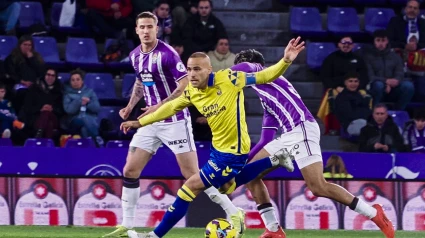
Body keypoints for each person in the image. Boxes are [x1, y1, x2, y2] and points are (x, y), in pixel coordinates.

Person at [122, 37, 306, 238]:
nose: (192, 74)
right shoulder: (192, 92)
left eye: (197, 69)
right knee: (227, 186)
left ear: (209, 69)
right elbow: (169, 108)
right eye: (189, 69)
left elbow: (265, 76)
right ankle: (275, 159)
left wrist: (286, 60)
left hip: (233, 151)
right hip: (218, 149)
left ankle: (154, 236)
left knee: (189, 188)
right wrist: (140, 122)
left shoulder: (230, 79)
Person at [102, 12, 245, 238]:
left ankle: (234, 211)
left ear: (157, 28)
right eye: (142, 27)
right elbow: (141, 80)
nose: (147, 31)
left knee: (192, 176)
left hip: (175, 121)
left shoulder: (167, 54)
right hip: (150, 122)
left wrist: (159, 106)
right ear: (137, 30)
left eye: (150, 26)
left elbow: (184, 86)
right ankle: (126, 225)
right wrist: (130, 106)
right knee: (130, 170)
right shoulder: (135, 55)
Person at [230, 49, 394, 238]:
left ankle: (373, 213)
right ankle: (273, 229)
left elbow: (245, 68)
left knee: (317, 187)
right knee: (251, 174)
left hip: (302, 130)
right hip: (288, 135)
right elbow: (266, 139)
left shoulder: (265, 74)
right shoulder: (265, 97)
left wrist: (214, 78)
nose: (236, 77)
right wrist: (244, 164)